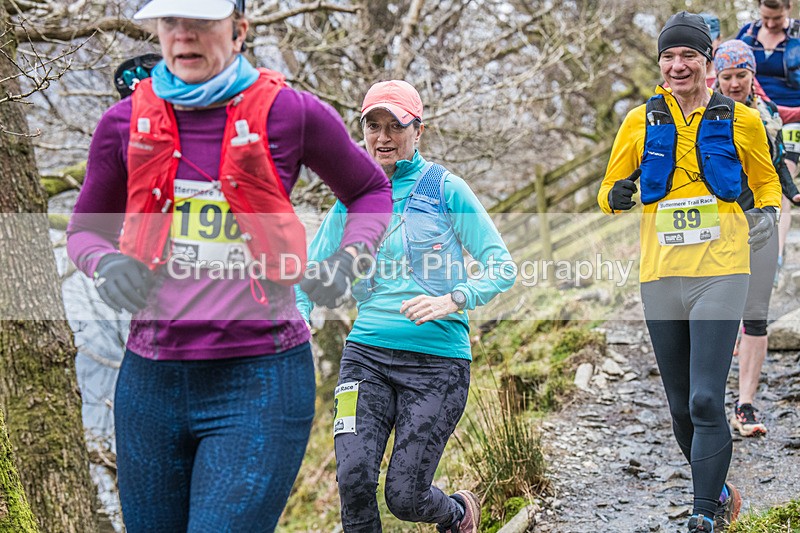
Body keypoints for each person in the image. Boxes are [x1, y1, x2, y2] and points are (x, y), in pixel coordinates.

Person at [66, 0, 392, 531]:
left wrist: (348, 258)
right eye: (171, 21)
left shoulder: (291, 113)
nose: (183, 35)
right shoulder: (123, 123)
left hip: (260, 378)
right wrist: (105, 265)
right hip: (150, 385)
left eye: (201, 21)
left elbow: (370, 190)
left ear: (239, 31)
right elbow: (85, 231)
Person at [296, 80, 515, 533]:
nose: (383, 137)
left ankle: (457, 514)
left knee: (405, 496)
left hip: (437, 365)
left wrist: (453, 298)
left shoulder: (446, 189)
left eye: (396, 125)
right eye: (373, 125)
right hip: (366, 359)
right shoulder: (352, 200)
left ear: (419, 130)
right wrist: (299, 324)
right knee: (353, 482)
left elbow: (502, 267)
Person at [597, 12, 781, 533]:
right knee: (680, 407)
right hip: (661, 276)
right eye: (669, 57)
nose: (678, 66)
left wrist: (765, 214)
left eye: (689, 56)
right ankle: (720, 492)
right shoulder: (639, 121)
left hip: (722, 271)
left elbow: (766, 184)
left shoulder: (741, 119)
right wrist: (615, 195)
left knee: (705, 397)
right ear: (660, 64)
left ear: (707, 61)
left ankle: (704, 515)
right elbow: (608, 190)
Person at [714, 40, 799, 438]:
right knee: (718, 312)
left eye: (740, 75)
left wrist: (792, 192)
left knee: (757, 314)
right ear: (717, 76)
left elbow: (779, 159)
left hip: (761, 221)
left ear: (752, 75)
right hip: (718, 224)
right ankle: (708, 399)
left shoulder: (766, 114)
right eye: (727, 76)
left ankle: (744, 404)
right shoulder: (705, 115)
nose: (733, 83)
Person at [737, 0, 800, 282]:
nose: (771, 24)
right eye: (766, 17)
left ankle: (774, 253)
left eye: (776, 18)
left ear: (788, 9)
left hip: (796, 117)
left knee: (781, 177)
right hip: (761, 114)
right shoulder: (747, 35)